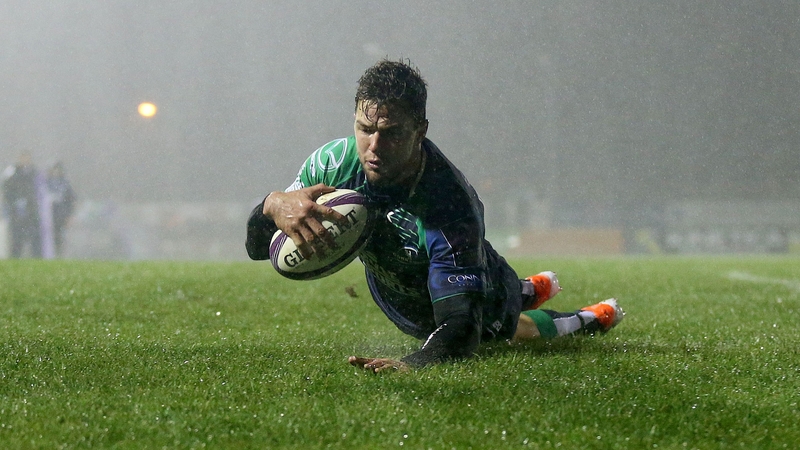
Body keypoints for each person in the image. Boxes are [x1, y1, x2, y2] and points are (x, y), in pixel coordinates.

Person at [246, 59, 624, 372]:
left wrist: (414, 364)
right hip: (395, 293)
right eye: (364, 129)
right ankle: (529, 288)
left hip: (472, 289)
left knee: (507, 332)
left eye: (391, 133)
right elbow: (257, 247)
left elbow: (460, 326)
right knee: (495, 301)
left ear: (420, 131)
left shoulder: (450, 204)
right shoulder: (330, 165)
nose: (373, 147)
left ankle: (584, 318)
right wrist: (272, 205)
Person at [2, 152, 43, 258]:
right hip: (16, 210)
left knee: (34, 236)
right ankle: (15, 257)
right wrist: (14, 202)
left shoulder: (35, 173)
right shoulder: (13, 172)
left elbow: (39, 190)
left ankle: (36, 258)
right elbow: (7, 189)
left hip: (31, 210)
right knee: (17, 236)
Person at [45, 161, 76, 257]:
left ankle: (58, 255)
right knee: (47, 236)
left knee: (59, 237)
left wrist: (69, 216)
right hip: (48, 215)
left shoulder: (65, 184)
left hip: (60, 215)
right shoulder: (45, 183)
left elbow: (71, 201)